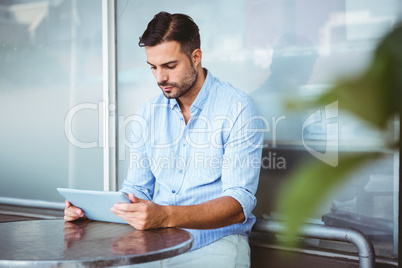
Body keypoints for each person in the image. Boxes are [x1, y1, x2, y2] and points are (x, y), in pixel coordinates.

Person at [64, 11, 263, 267]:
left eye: (170, 66)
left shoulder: (238, 107)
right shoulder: (148, 113)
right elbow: (137, 190)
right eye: (153, 68)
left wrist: (165, 216)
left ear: (196, 57)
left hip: (215, 243)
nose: (160, 79)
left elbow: (239, 204)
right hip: (154, 242)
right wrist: (88, 212)